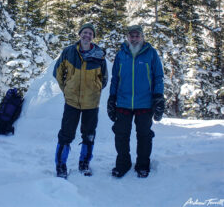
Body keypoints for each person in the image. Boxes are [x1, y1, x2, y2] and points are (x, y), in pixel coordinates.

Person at [107, 25, 165, 178]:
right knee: (121, 135)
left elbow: (158, 77)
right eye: (131, 36)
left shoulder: (151, 54)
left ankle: (142, 165)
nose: (134, 39)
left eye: (137, 36)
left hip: (145, 103)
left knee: (144, 135)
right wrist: (112, 98)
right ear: (127, 37)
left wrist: (158, 96)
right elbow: (115, 79)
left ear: (142, 37)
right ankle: (123, 163)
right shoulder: (121, 55)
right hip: (123, 102)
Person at [53, 23, 108, 178]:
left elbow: (104, 78)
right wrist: (67, 89)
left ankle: (84, 163)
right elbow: (57, 72)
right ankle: (61, 165)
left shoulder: (99, 55)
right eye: (85, 32)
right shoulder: (69, 52)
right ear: (80, 34)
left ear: (93, 37)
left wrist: (95, 90)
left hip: (91, 103)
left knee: (89, 134)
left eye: (90, 33)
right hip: (72, 102)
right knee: (66, 134)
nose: (87, 35)